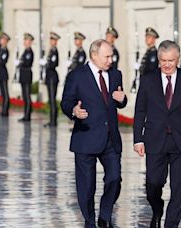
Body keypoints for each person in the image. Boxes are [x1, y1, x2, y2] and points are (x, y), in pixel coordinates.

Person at [133, 40, 181, 228]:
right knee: (153, 183)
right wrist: (137, 139)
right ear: (158, 59)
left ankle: (171, 224)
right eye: (163, 60)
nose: (167, 65)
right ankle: (157, 209)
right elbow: (140, 110)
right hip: (154, 140)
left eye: (171, 61)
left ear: (178, 59)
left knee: (179, 189)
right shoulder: (148, 79)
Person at [61, 39, 127, 227]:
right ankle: (89, 220)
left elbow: (119, 99)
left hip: (110, 138)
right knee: (87, 186)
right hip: (86, 137)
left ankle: (104, 216)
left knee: (114, 178)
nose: (110, 60)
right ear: (94, 55)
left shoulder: (116, 74)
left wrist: (122, 100)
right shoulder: (77, 76)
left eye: (111, 56)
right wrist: (74, 111)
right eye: (107, 56)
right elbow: (65, 102)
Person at [41, 32, 60, 127]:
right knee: (50, 100)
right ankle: (52, 120)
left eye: (54, 40)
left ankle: (53, 121)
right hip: (49, 77)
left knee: (52, 100)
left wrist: (46, 63)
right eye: (51, 40)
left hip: (52, 77)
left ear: (56, 41)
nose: (52, 41)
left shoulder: (55, 51)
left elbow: (54, 64)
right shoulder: (51, 51)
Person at [17, 33, 34, 122]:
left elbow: (27, 63)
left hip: (27, 75)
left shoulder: (29, 52)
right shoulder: (25, 51)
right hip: (23, 75)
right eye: (24, 40)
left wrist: (20, 63)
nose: (25, 41)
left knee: (27, 96)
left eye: (26, 40)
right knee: (24, 96)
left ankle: (27, 115)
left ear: (30, 42)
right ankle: (26, 114)